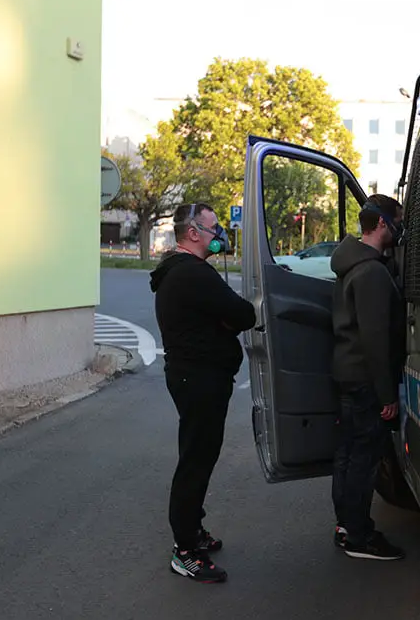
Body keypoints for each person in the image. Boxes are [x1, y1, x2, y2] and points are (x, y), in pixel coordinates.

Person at [149, 202, 256, 583]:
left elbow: (230, 315)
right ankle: (185, 550)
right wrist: (227, 320)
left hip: (195, 377)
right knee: (195, 460)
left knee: (200, 455)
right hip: (199, 380)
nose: (220, 235)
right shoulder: (193, 274)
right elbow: (244, 314)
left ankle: (193, 530)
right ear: (193, 233)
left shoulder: (180, 271)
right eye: (213, 228)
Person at [329, 193, 407, 560]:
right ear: (380, 224)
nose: (400, 229)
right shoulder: (372, 273)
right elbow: (376, 339)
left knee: (347, 456)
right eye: (397, 222)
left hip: (348, 374)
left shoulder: (351, 264)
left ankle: (346, 526)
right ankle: (360, 536)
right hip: (366, 379)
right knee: (364, 460)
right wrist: (387, 394)